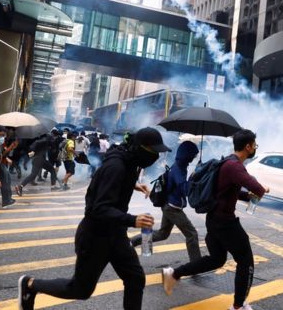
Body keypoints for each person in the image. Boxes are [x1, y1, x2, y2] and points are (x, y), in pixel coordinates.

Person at [17, 127, 170, 310]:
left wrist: (134, 185)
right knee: (80, 290)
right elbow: (98, 209)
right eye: (154, 152)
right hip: (95, 236)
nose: (155, 157)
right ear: (140, 148)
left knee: (135, 278)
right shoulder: (116, 166)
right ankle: (30, 284)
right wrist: (133, 220)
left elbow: (113, 182)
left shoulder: (129, 162)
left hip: (115, 233)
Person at [161, 129, 269, 310]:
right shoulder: (235, 166)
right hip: (225, 223)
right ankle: (238, 306)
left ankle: (173, 273)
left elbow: (225, 190)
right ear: (248, 146)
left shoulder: (228, 162)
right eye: (254, 145)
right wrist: (262, 189)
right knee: (245, 260)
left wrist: (246, 197)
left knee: (216, 259)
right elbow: (256, 187)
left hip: (215, 220)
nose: (255, 148)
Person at [130, 141, 202, 261]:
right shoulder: (179, 169)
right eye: (193, 155)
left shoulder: (180, 166)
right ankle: (196, 263)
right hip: (173, 208)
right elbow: (185, 189)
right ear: (187, 155)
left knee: (163, 234)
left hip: (168, 205)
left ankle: (132, 241)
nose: (194, 158)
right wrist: (194, 175)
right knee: (192, 234)